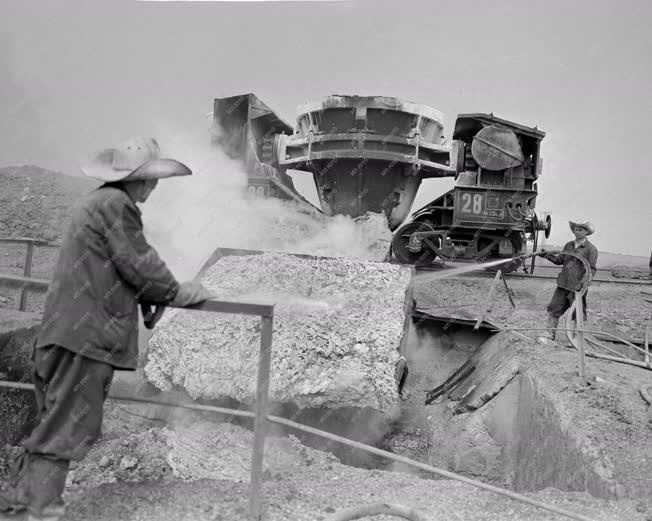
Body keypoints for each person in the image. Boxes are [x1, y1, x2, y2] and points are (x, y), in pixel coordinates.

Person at [0, 137, 213, 520]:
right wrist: (179, 292)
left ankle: (24, 501)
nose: (154, 186)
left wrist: (143, 293)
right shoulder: (117, 206)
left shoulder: (95, 203)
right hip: (84, 339)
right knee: (69, 425)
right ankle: (35, 506)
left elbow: (114, 268)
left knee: (57, 420)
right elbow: (139, 263)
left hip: (64, 332)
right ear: (137, 180)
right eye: (150, 179)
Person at [542, 220, 598, 340]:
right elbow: (559, 260)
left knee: (578, 313)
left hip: (577, 287)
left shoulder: (591, 249)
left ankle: (576, 338)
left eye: (581, 230)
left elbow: (591, 270)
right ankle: (550, 334)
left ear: (586, 232)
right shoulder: (569, 245)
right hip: (563, 284)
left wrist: (582, 284)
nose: (577, 232)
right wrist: (546, 255)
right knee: (554, 309)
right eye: (576, 229)